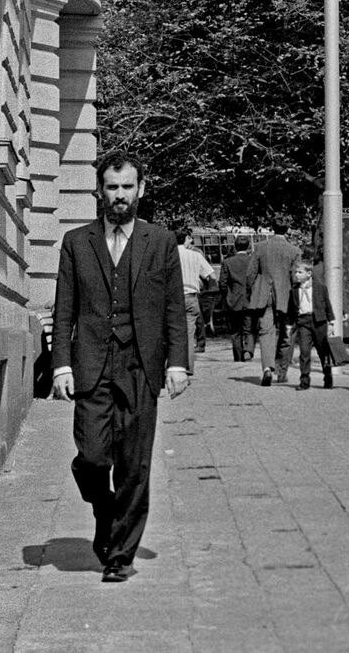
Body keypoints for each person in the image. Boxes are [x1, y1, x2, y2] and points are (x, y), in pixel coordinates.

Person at [50, 153, 189, 583]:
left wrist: (178, 364)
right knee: (92, 457)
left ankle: (120, 555)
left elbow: (173, 309)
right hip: (92, 364)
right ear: (99, 191)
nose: (120, 196)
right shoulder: (77, 242)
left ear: (141, 190)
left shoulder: (161, 242)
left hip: (141, 366)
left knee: (134, 465)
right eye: (112, 187)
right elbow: (63, 310)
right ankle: (106, 512)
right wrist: (61, 367)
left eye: (127, 187)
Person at [249, 231, 298, 386]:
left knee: (266, 332)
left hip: (264, 295)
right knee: (286, 333)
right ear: (287, 230)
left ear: (272, 229)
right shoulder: (294, 250)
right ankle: (282, 371)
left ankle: (267, 368)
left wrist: (253, 291)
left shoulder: (260, 247)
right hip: (286, 296)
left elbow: (250, 274)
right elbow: (295, 277)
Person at [285, 257, 336, 390]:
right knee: (304, 352)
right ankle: (304, 380)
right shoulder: (294, 289)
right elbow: (291, 309)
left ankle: (327, 375)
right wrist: (289, 325)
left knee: (323, 351)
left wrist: (331, 322)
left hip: (318, 322)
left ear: (309, 273)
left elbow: (327, 305)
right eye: (296, 272)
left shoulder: (320, 287)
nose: (296, 274)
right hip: (303, 322)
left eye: (299, 272)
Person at [175, 227, 218, 360]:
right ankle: (187, 366)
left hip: (173, 298)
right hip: (191, 296)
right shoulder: (196, 255)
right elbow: (212, 276)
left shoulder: (167, 254)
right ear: (186, 239)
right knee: (189, 331)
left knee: (174, 332)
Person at [219, 240, 258, 361]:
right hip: (250, 299)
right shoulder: (253, 261)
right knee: (250, 328)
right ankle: (248, 350)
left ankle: (238, 356)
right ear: (248, 247)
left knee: (235, 331)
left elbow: (222, 283)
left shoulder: (227, 262)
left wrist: (227, 296)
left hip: (234, 299)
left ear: (235, 247)